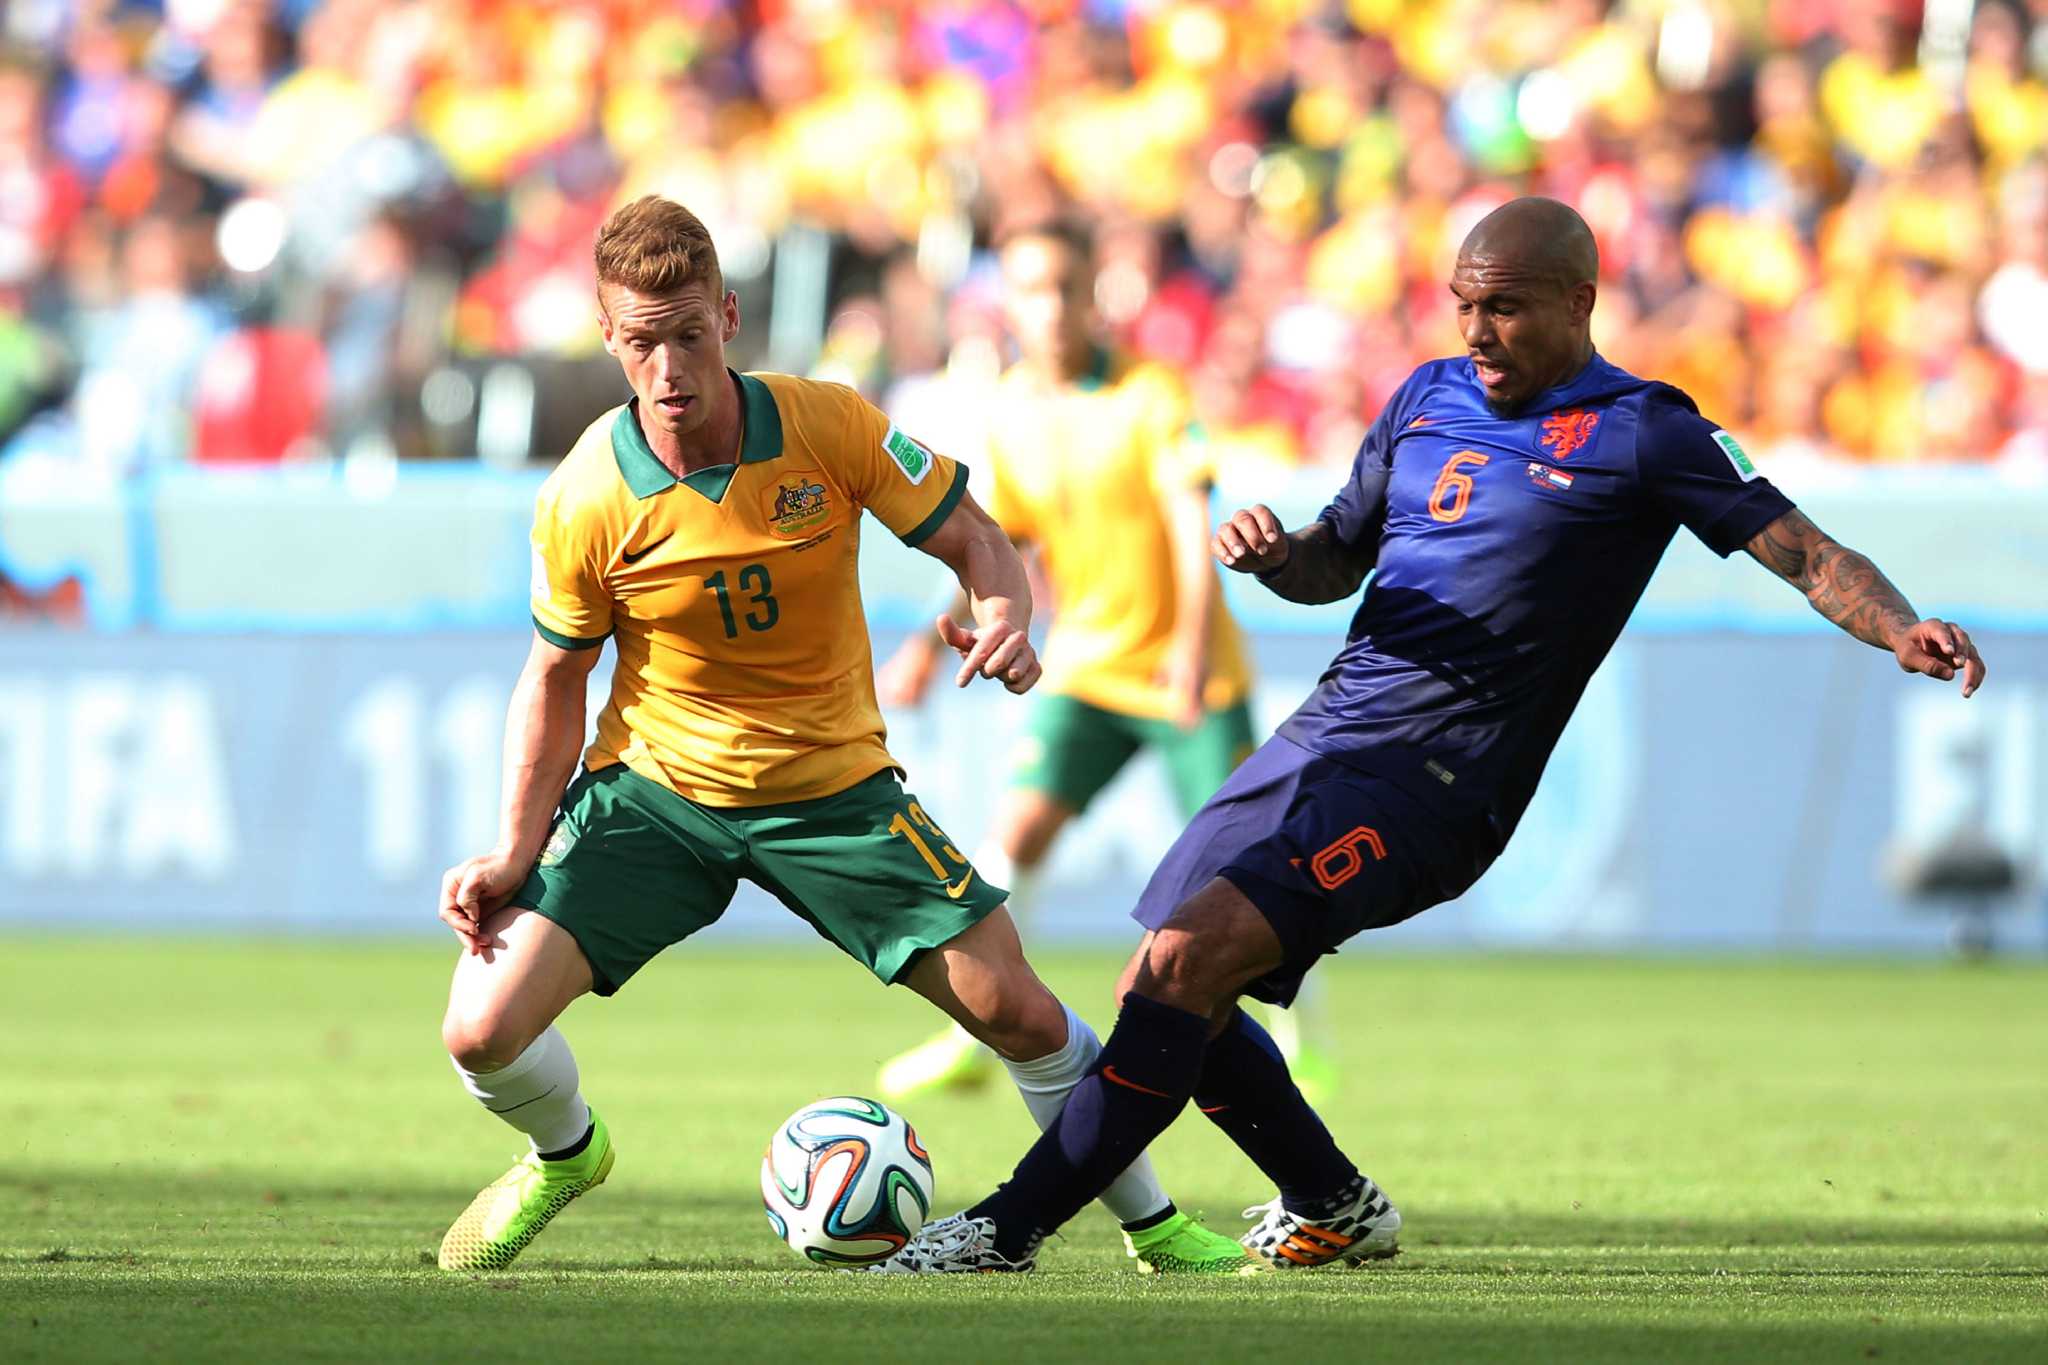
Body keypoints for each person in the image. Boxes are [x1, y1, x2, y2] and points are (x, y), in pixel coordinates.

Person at [873, 197, 1988, 1274]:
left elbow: (1801, 552)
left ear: (1578, 301)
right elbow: (1332, 560)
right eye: (1462, 304)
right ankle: (1331, 1204)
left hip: (1438, 781)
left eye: (1502, 306)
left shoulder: (1645, 428)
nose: (1475, 331)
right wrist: (1277, 555)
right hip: (1323, 737)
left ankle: (1001, 1232)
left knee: (1182, 962)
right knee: (1163, 985)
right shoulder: (1423, 398)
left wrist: (1896, 624)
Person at [432, 195, 1247, 1275]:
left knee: (1019, 1010)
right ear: (608, 339)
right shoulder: (585, 496)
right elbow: (555, 680)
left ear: (726, 316)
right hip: (657, 793)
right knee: (479, 1030)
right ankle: (565, 1153)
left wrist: (1003, 609)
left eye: (686, 334)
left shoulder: (829, 423)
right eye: (642, 342)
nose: (669, 368)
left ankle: (1151, 1223)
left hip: (833, 792)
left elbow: (975, 537)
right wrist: (514, 850)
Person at [872, 223, 1336, 1102]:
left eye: (1062, 287)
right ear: (1009, 303)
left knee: (1256, 865)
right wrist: (922, 648)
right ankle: (975, 1033)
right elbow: (999, 546)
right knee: (1014, 838)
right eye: (1031, 290)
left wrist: (1193, 652)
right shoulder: (1010, 408)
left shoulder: (1149, 394)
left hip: (1183, 675)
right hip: (1086, 665)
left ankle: (1306, 1040)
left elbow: (1189, 531)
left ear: (1091, 294)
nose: (1048, 309)